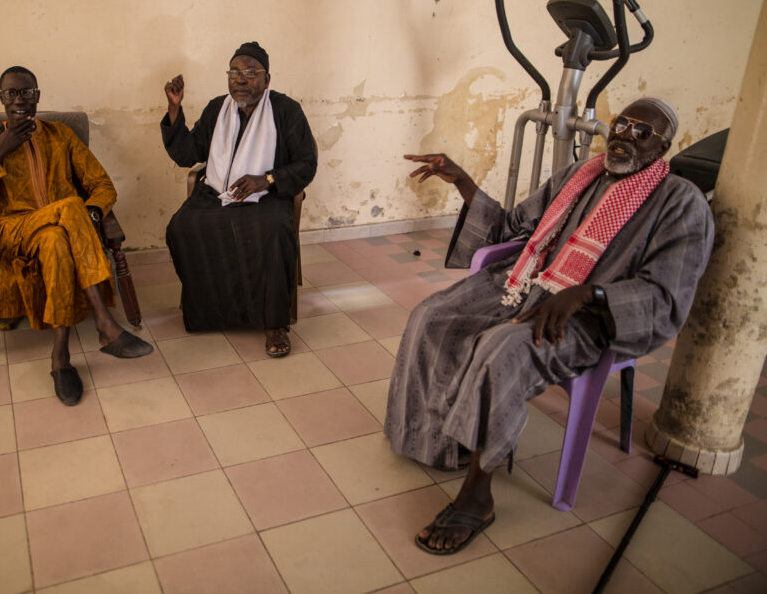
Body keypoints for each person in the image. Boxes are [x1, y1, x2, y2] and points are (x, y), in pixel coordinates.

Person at [385, 98, 713, 555]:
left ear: (663, 146)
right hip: (527, 283)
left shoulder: (681, 203)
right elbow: (510, 227)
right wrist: (462, 181)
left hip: (589, 317)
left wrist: (591, 294)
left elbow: (667, 296)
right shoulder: (580, 174)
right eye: (622, 124)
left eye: (643, 131)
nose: (625, 135)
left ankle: (476, 499)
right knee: (432, 317)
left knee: (503, 350)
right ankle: (439, 439)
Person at [0, 66, 152, 406]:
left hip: (56, 230)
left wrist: (88, 216)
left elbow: (102, 184)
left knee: (56, 239)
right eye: (11, 93)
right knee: (71, 206)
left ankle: (60, 358)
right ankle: (105, 322)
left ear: (38, 96)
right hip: (5, 231)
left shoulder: (60, 135)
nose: (19, 100)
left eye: (27, 92)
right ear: (1, 99)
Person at [161, 42, 317, 357]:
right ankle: (208, 309)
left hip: (266, 196)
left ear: (267, 79)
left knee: (271, 231)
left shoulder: (287, 111)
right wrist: (175, 108)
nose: (241, 80)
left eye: (250, 73)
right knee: (181, 227)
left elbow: (306, 163)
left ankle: (274, 323)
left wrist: (267, 179)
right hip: (217, 191)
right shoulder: (217, 108)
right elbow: (188, 154)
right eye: (235, 73)